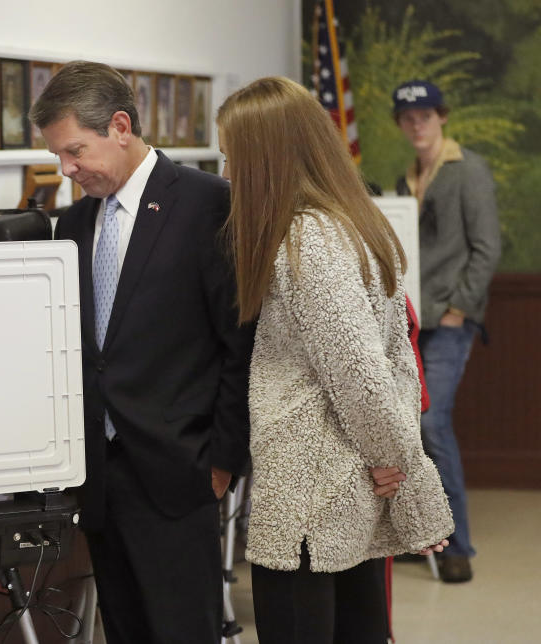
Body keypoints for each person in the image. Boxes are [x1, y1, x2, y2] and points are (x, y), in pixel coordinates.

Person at [216, 76, 454, 643]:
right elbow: (391, 361)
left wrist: (405, 469)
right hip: (346, 487)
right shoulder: (350, 222)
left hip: (311, 495)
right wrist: (391, 455)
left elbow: (363, 375)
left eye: (233, 159)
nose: (228, 177)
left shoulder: (310, 240)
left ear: (267, 158)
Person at [31, 61, 254, 644]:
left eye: (76, 150)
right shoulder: (75, 223)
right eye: (59, 155)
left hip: (181, 473)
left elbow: (239, 342)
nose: (67, 168)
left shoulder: (208, 204)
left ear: (121, 126)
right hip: (102, 480)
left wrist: (223, 462)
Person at [393, 80, 502, 583]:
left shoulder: (468, 170)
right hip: (410, 318)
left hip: (450, 320)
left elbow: (486, 248)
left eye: (425, 115)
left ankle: (457, 545)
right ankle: (425, 535)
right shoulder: (408, 175)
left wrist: (460, 308)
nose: (417, 124)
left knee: (432, 424)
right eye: (408, 117)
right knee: (408, 428)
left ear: (442, 116)